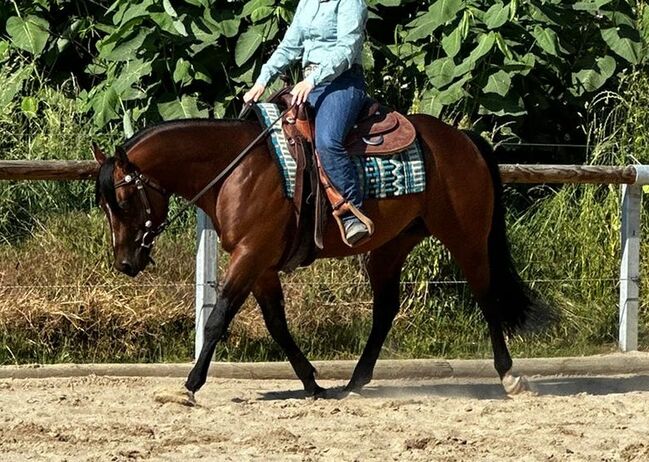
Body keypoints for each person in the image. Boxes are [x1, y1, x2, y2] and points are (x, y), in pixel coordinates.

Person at [243, 0, 370, 246]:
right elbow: (289, 46)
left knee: (327, 141)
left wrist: (313, 79)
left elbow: (347, 47)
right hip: (309, 83)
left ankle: (352, 212)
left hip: (342, 82)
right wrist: (262, 80)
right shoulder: (307, 2)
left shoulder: (350, 2)